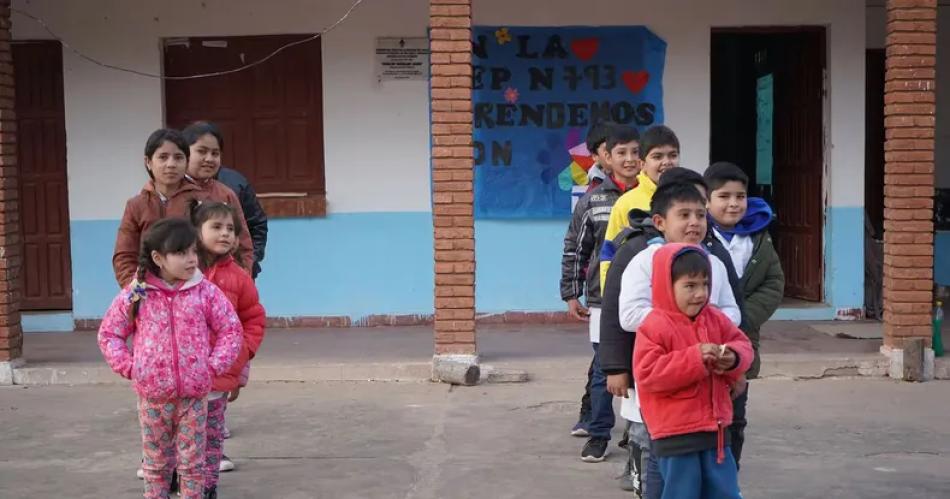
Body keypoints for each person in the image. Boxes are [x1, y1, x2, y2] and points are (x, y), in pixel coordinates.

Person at [98, 218, 242, 499]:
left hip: (194, 396)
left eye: (192, 251)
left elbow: (231, 329)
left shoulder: (205, 292)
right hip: (153, 397)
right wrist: (130, 367)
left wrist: (212, 366)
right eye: (180, 253)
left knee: (192, 464)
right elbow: (109, 334)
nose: (191, 260)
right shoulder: (136, 293)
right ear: (157, 258)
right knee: (156, 464)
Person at [634, 243, 753, 499]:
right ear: (667, 285)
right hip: (676, 436)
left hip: (716, 432)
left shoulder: (714, 317)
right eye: (690, 286)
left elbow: (742, 343)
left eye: (705, 284)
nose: (700, 294)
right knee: (682, 493)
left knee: (725, 491)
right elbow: (648, 373)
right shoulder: (654, 326)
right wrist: (695, 358)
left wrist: (733, 358)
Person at [560, 124, 640, 460]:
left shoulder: (655, 198)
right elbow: (575, 249)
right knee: (604, 368)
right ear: (606, 157)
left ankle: (637, 433)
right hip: (601, 298)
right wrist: (571, 293)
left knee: (641, 366)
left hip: (645, 298)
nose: (629, 159)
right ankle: (598, 434)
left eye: (635, 152)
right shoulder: (592, 200)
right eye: (621, 153)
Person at [704, 161, 785, 467]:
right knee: (701, 419)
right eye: (724, 196)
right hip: (699, 340)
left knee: (735, 416)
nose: (733, 203)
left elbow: (773, 283)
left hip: (741, 340)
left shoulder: (758, 237)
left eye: (740, 196)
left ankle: (728, 475)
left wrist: (739, 319)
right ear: (706, 200)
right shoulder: (698, 236)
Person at [191, 201, 267, 497]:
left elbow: (253, 319)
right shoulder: (183, 272)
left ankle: (208, 485)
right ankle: (176, 478)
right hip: (183, 375)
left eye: (231, 229)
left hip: (220, 374)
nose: (225, 235)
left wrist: (242, 356)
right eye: (216, 227)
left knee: (211, 435)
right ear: (197, 232)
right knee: (180, 433)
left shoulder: (239, 277)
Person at [113, 129, 203, 287]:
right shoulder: (136, 205)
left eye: (178, 157)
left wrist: (199, 287)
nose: (171, 164)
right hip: (149, 291)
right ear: (148, 162)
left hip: (194, 290)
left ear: (187, 162)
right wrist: (135, 288)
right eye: (163, 157)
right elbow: (124, 255)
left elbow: (213, 249)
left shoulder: (201, 201)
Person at [599, 125, 681, 290]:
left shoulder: (691, 198)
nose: (666, 162)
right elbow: (609, 256)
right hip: (639, 295)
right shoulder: (626, 203)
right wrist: (610, 300)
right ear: (642, 163)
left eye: (672, 155)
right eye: (657, 156)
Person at [183, 121, 268, 278]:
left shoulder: (230, 190)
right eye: (201, 151)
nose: (209, 159)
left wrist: (245, 273)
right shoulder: (171, 193)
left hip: (228, 286)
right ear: (184, 153)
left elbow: (246, 240)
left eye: (215, 153)